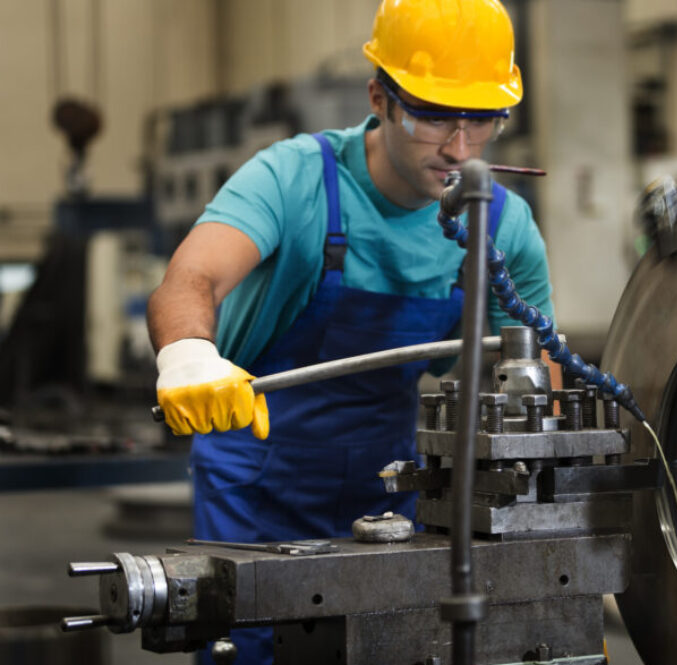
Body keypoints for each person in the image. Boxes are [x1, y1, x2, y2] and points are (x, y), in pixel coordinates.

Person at [147, 1, 553, 663]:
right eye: (431, 115)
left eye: (482, 120)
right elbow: (192, 277)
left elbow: (535, 376)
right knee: (252, 644)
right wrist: (188, 351)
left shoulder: (502, 226)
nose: (458, 148)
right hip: (256, 484)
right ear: (379, 97)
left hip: (389, 488)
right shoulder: (295, 178)